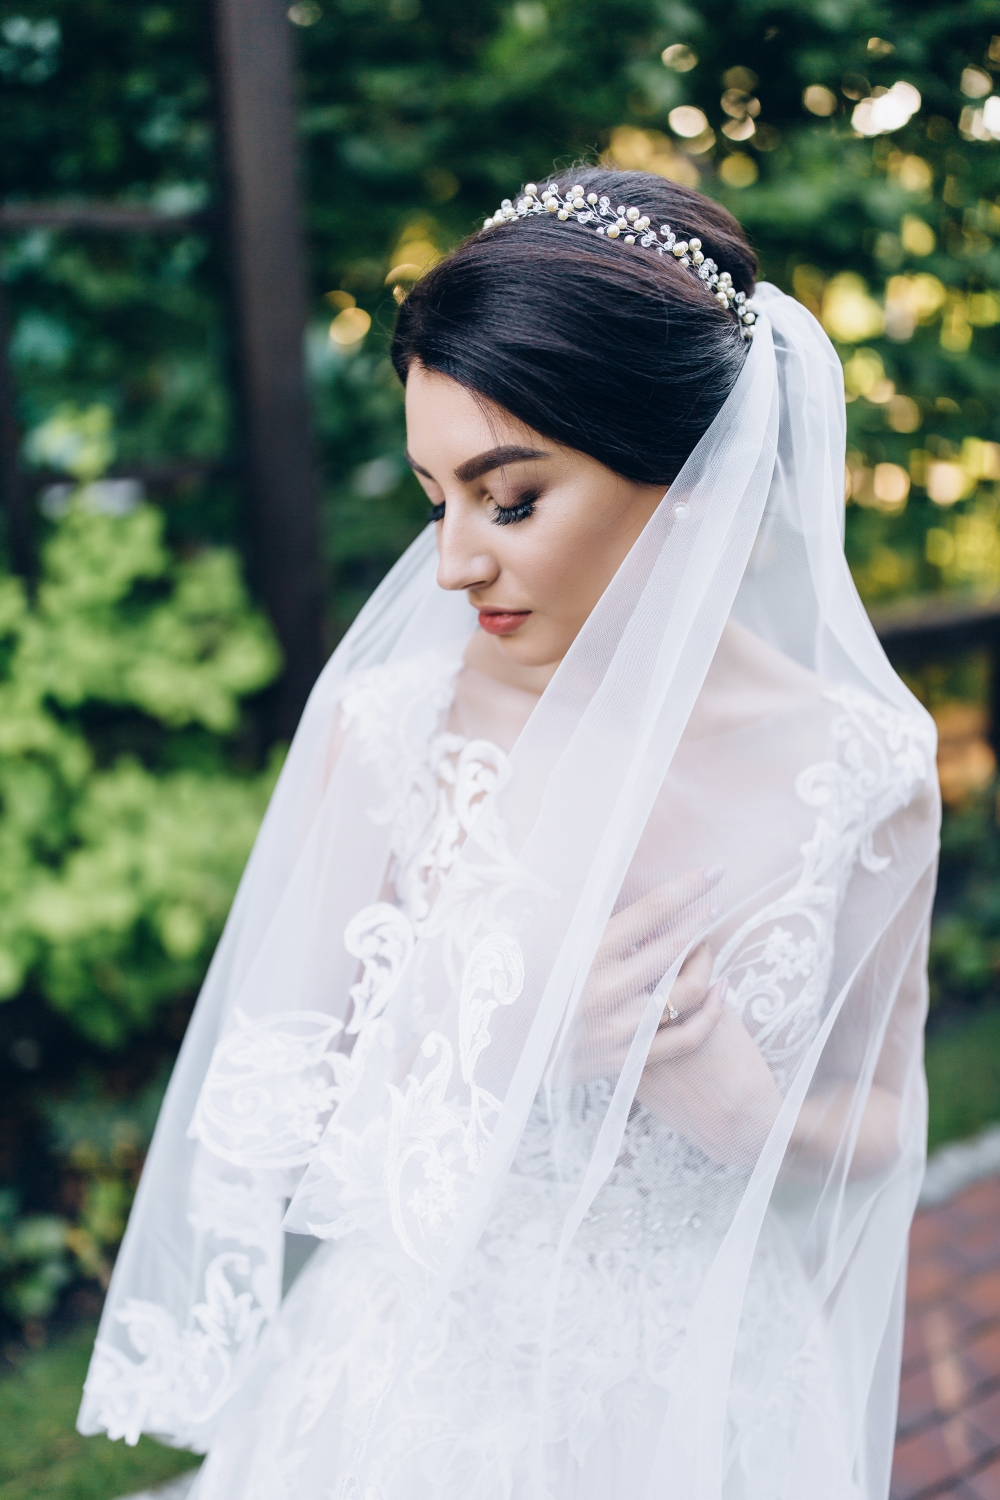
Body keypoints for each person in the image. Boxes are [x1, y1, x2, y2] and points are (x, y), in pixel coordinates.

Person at [79, 169, 940, 1500]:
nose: (451, 565)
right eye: (439, 498)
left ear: (696, 477)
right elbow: (272, 1112)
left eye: (511, 499)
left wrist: (746, 1112)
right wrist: (493, 1048)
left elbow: (887, 1119)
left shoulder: (868, 771)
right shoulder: (395, 731)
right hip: (420, 1401)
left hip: (706, 1395)